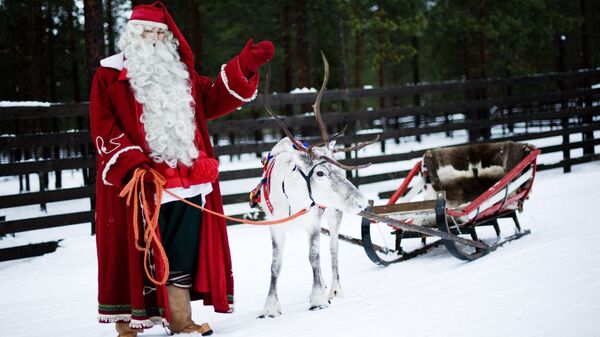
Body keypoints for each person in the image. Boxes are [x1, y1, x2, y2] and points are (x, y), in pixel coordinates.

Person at [89, 2, 274, 336]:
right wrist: (135, 166)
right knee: (135, 253)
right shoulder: (108, 76)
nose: (153, 39)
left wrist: (243, 66)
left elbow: (215, 97)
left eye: (160, 33)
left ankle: (181, 320)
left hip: (189, 184)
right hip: (141, 185)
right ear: (131, 36)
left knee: (182, 253)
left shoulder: (181, 74)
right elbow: (103, 126)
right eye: (145, 32)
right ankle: (128, 325)